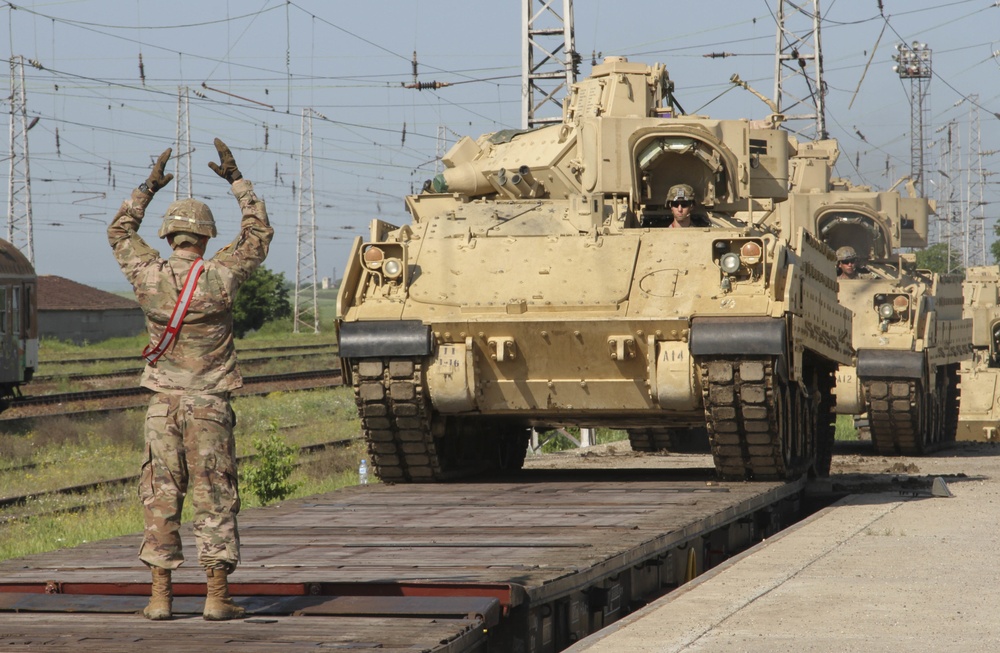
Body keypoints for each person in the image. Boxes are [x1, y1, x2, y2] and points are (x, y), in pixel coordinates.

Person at [107, 139, 273, 621]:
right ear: (205, 238)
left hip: (163, 406)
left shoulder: (149, 275)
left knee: (160, 495)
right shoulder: (221, 276)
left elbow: (119, 232)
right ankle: (216, 597)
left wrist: (148, 187)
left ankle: (160, 597)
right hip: (210, 406)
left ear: (168, 236)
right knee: (214, 494)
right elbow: (258, 234)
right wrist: (237, 180)